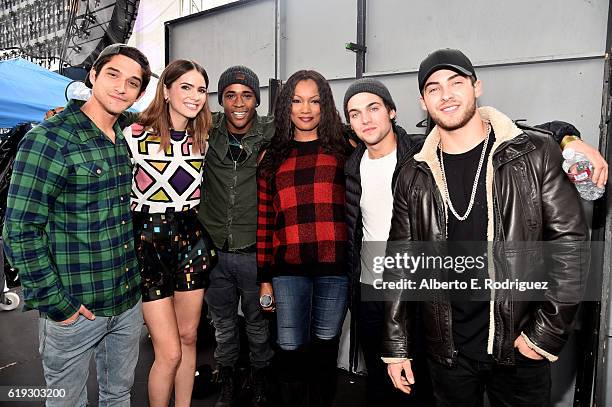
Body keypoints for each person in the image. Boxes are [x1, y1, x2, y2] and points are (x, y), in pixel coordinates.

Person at [382, 48, 593, 406]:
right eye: (433, 88)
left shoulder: (534, 153)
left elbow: (569, 246)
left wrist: (544, 334)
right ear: (423, 101)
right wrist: (396, 346)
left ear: (476, 87)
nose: (446, 94)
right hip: (447, 350)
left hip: (520, 347)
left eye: (456, 82)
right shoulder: (412, 173)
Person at [3, 43, 151, 406]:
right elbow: (19, 229)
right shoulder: (49, 139)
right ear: (94, 75)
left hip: (127, 302)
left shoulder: (125, 137)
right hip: (75, 308)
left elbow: (157, 118)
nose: (121, 87)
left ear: (138, 93)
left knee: (119, 396)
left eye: (132, 83)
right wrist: (56, 303)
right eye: (113, 75)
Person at [257, 70, 353, 406]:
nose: (306, 109)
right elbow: (266, 222)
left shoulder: (344, 149)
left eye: (314, 100)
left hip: (335, 270)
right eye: (297, 100)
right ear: (286, 107)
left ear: (325, 106)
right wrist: (264, 278)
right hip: (287, 272)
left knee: (325, 354)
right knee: (289, 352)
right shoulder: (272, 157)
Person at [126, 59, 216, 407]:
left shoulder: (203, 138)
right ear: (165, 91)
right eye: (185, 87)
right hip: (148, 241)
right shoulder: (133, 136)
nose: (195, 96)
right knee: (169, 352)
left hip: (190, 239)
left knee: (189, 336)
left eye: (200, 90)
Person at [200, 65, 275, 407]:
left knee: (258, 328)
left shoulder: (272, 131)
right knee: (224, 326)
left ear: (257, 100)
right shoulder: (206, 126)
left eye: (247, 95)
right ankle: (228, 380)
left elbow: (321, 127)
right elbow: (154, 115)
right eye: (230, 95)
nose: (239, 102)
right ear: (221, 100)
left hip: (254, 253)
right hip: (214, 253)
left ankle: (260, 380)